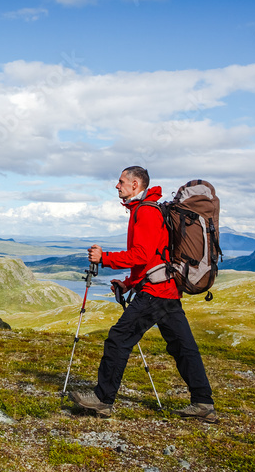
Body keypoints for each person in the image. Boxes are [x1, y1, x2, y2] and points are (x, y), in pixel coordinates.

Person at [69, 165, 216, 422]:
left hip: (156, 291)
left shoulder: (146, 212)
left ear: (135, 185)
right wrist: (129, 283)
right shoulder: (146, 209)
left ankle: (103, 400)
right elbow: (150, 260)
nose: (117, 186)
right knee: (183, 346)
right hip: (165, 289)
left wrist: (104, 258)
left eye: (121, 181)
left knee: (118, 338)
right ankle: (203, 402)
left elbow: (141, 255)